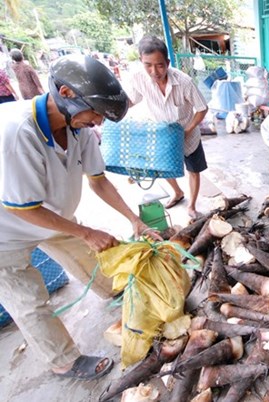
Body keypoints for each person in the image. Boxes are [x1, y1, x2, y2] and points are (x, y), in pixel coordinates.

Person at [0, 54, 158, 380]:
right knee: (29, 300)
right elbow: (23, 208)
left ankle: (110, 289)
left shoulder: (79, 128)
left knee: (87, 254)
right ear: (67, 94)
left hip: (52, 215)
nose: (98, 122)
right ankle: (64, 361)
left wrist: (134, 219)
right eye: (96, 113)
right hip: (8, 230)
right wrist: (85, 232)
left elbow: (98, 179)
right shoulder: (17, 132)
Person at [126, 35, 209, 219]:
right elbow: (131, 101)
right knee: (162, 167)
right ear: (141, 61)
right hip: (163, 133)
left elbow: (202, 109)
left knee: (193, 170)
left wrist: (187, 131)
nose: (154, 71)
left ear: (168, 62)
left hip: (188, 134)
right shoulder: (139, 79)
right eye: (148, 65)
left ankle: (192, 206)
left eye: (160, 65)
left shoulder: (184, 82)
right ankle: (177, 192)